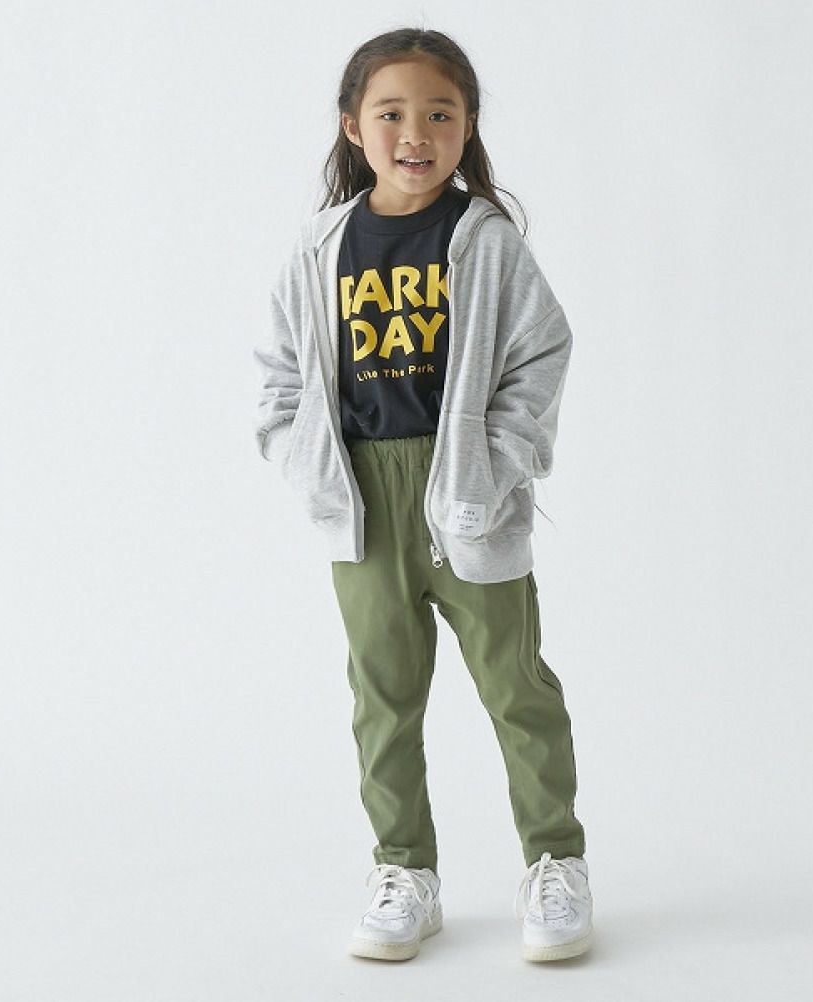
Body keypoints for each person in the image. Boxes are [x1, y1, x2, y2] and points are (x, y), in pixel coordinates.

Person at [253, 27, 593, 964]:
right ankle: (404, 871)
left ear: (467, 127)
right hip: (362, 503)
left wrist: (498, 461)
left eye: (440, 114)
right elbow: (280, 375)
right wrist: (303, 462)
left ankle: (556, 861)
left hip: (469, 497)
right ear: (352, 126)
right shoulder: (320, 247)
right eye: (392, 113)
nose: (416, 133)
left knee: (516, 687)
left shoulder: (485, 242)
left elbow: (541, 354)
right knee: (383, 699)